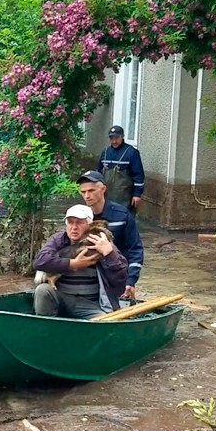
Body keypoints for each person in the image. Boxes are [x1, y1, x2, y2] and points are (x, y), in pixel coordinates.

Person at [33, 204, 128, 319]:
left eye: (79, 222)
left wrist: (109, 253)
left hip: (90, 304)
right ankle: (45, 328)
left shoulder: (101, 242)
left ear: (90, 225)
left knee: (104, 322)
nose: (74, 227)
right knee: (42, 290)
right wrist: (73, 264)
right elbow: (40, 262)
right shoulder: (58, 240)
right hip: (62, 297)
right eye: (70, 222)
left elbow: (120, 280)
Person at [76, 170, 144, 299]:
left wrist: (131, 281)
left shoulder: (122, 215)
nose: (86, 196)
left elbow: (135, 249)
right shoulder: (79, 216)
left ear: (103, 189)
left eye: (91, 191)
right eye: (83, 192)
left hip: (115, 272)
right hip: (86, 274)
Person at [96, 125, 145, 210]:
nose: (114, 141)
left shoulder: (131, 152)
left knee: (124, 219)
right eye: (111, 138)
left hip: (125, 197)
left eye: (117, 138)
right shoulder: (105, 152)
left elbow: (138, 175)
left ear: (122, 137)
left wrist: (137, 194)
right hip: (106, 195)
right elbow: (98, 172)